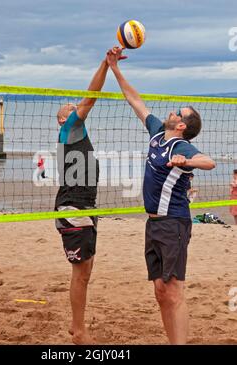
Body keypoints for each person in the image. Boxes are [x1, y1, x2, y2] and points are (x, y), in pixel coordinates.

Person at [106, 47, 216, 345]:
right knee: (159, 291)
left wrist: (187, 162)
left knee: (173, 291)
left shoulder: (180, 147)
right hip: (153, 224)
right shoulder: (156, 132)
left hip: (174, 224)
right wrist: (114, 67)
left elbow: (209, 162)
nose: (172, 110)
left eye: (178, 112)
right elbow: (135, 100)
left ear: (181, 125)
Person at [54, 53, 125, 345]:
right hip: (74, 208)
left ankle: (76, 325)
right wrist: (105, 65)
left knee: (87, 269)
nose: (78, 112)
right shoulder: (69, 128)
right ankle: (80, 332)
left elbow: (86, 102)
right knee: (81, 272)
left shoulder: (77, 136)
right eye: (72, 110)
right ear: (63, 118)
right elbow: (90, 98)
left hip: (86, 207)